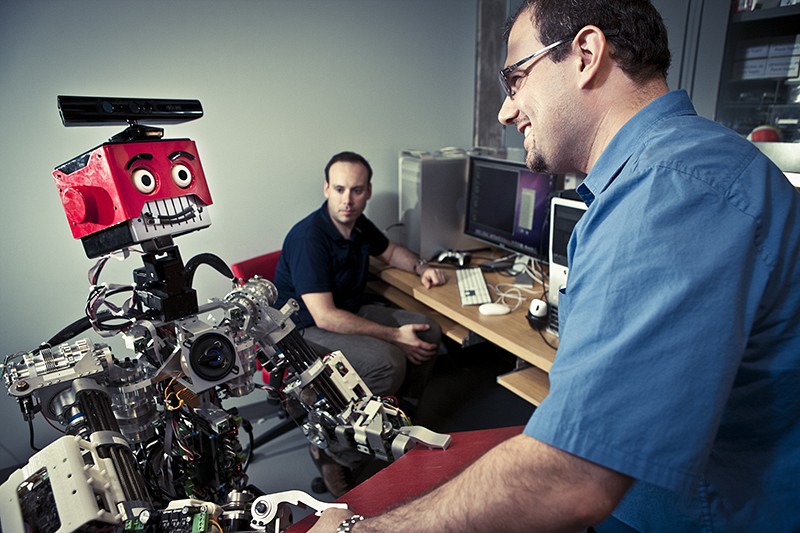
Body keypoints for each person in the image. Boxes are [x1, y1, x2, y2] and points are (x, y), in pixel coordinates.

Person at [309, 1, 800, 531]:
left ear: (586, 55)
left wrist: (359, 529)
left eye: (516, 78)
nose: (505, 110)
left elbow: (574, 477)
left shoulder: (674, 190)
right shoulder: (674, 169)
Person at [273, 151, 447, 495]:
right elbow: (325, 315)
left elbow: (392, 252)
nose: (347, 200)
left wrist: (422, 266)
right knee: (388, 363)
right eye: (339, 189)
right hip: (303, 331)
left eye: (356, 190)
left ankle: (400, 419)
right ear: (326, 189)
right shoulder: (310, 238)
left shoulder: (357, 224)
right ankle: (332, 453)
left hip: (348, 310)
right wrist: (396, 336)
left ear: (367, 191)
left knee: (429, 330)